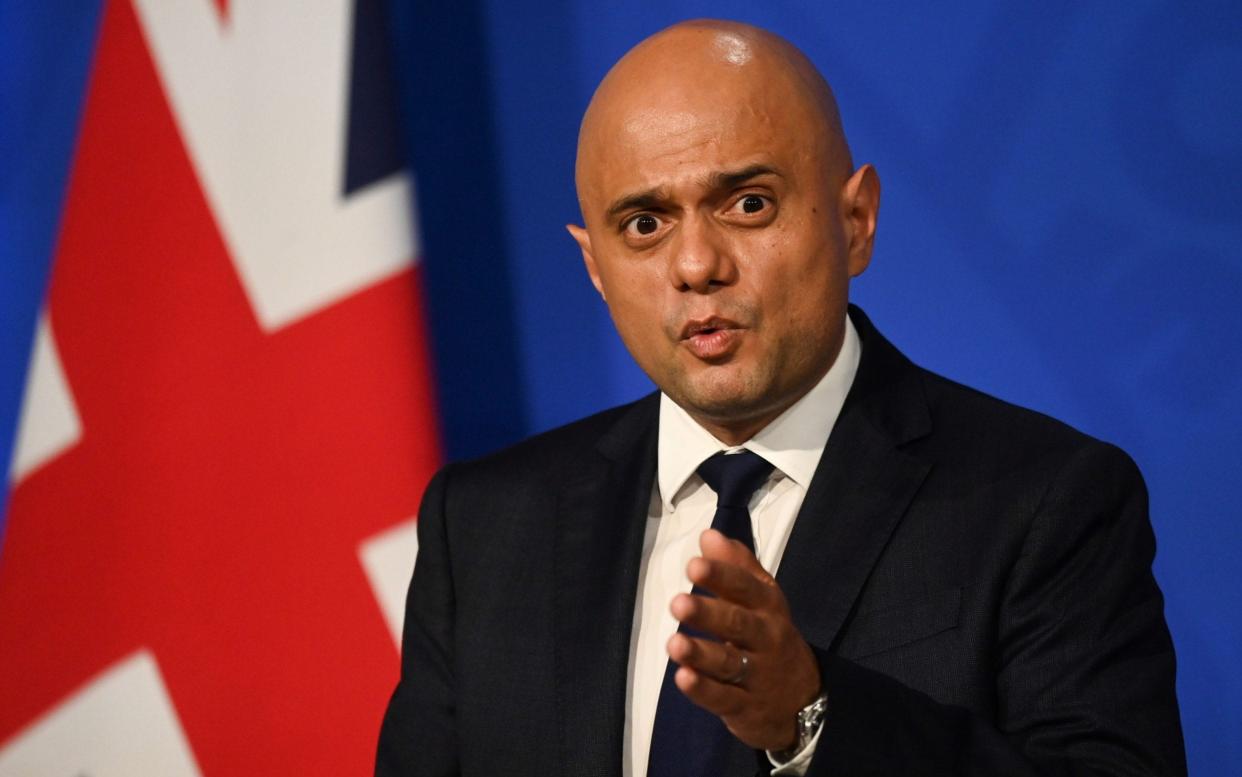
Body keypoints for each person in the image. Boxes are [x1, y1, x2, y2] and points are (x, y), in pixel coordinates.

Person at [376, 19, 1185, 777]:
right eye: (645, 223)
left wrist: (812, 715)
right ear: (593, 266)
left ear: (856, 220)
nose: (696, 264)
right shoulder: (483, 526)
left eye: (748, 203)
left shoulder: (1046, 501)